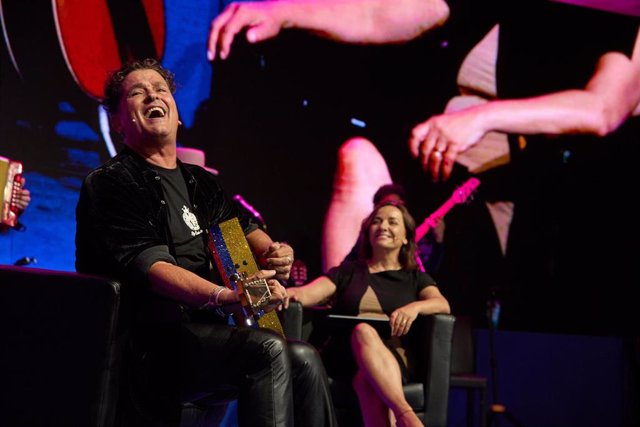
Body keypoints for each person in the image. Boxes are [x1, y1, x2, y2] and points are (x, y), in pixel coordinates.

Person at [75, 58, 336, 426]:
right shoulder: (112, 183)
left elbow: (243, 236)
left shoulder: (201, 183)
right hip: (150, 343)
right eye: (137, 92)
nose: (152, 94)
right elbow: (154, 268)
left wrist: (277, 254)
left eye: (160, 89)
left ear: (177, 115)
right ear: (118, 123)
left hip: (207, 334)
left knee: (304, 359)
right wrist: (224, 297)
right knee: (267, 350)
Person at [284, 201, 451, 427]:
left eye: (392, 222)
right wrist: (282, 292)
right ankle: (406, 416)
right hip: (345, 358)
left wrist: (414, 307)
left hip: (391, 360)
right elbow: (305, 294)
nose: (383, 226)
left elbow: (441, 304)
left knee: (367, 381)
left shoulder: (415, 278)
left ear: (405, 238)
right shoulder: (348, 272)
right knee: (363, 331)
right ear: (368, 232)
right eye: (377, 221)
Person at [341, 182, 445, 274]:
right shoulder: (369, 237)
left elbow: (430, 268)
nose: (394, 210)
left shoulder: (410, 236)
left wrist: (438, 240)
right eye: (388, 205)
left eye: (399, 205)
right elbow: (347, 266)